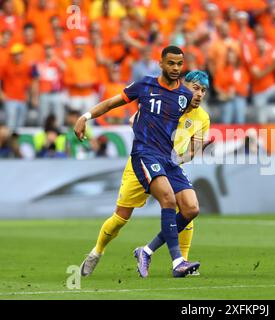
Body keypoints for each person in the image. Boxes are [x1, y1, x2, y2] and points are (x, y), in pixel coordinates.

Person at [76, 46, 200, 278]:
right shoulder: (144, 85)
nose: (175, 68)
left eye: (179, 64)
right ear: (161, 63)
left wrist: (196, 145)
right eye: (170, 63)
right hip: (144, 156)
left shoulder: (185, 97)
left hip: (167, 160)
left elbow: (188, 118)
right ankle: (97, 251)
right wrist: (85, 117)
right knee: (122, 217)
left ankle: (148, 252)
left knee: (191, 208)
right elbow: (112, 103)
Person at [133, 70, 213, 278]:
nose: (199, 94)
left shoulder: (203, 118)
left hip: (171, 163)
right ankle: (178, 261)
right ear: (184, 85)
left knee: (191, 208)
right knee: (124, 212)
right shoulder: (168, 104)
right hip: (149, 157)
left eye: (203, 90)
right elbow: (137, 118)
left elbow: (191, 153)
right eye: (195, 88)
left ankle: (146, 251)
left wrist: (189, 154)